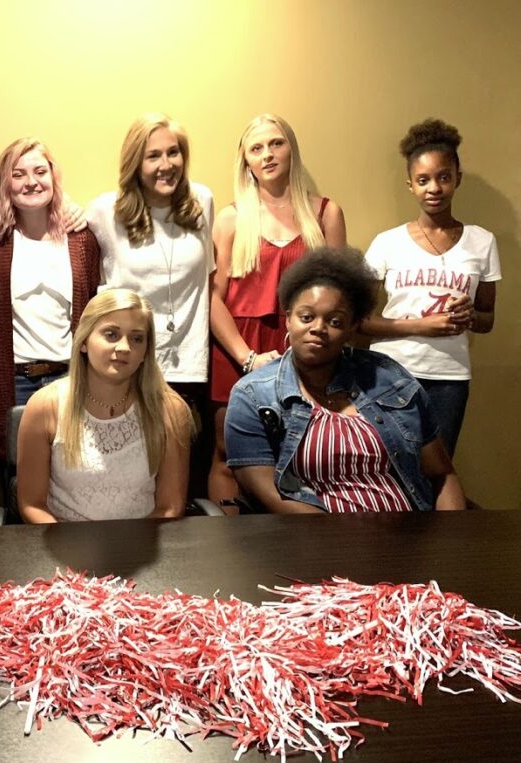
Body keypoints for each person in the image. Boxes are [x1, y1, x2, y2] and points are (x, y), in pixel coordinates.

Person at [225, 247, 465, 514]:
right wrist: (347, 544)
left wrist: (449, 541)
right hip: (315, 543)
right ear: (288, 319)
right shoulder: (253, 395)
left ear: (352, 328)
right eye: (306, 317)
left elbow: (442, 474)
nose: (318, 328)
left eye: (335, 321)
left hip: (409, 537)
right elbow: (269, 495)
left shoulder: (388, 378)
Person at [208, 114, 346, 507]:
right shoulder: (232, 217)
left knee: (302, 449)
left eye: (276, 143)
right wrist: (247, 358)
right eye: (256, 148)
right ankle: (227, 548)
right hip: (239, 348)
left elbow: (340, 293)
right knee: (227, 453)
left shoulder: (325, 214)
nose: (267, 155)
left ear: (291, 149)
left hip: (304, 347)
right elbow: (213, 298)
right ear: (246, 161)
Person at [85, 113, 214, 493]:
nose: (165, 165)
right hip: (131, 368)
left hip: (189, 368)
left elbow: (209, 279)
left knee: (183, 485)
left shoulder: (201, 201)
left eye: (173, 153)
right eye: (152, 155)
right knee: (131, 480)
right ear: (134, 163)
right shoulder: (105, 211)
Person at [361, 118, 499, 457]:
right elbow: (358, 322)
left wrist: (468, 317)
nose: (433, 188)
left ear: (457, 179)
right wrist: (422, 326)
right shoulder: (386, 243)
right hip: (389, 372)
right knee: (387, 467)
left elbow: (487, 320)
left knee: (436, 469)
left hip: (449, 378)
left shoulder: (482, 242)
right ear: (411, 184)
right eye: (423, 180)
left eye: (443, 177)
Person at [0, 137, 101, 462]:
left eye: (40, 171)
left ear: (53, 177)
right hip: (15, 382)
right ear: (5, 182)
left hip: (71, 379)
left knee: (73, 472)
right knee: (19, 479)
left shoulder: (80, 238)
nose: (31, 182)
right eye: (19, 174)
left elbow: (95, 305)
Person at [16, 288, 192, 522]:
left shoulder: (170, 410)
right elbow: (32, 505)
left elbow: (170, 508)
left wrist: (124, 552)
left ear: (145, 353)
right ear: (84, 342)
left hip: (140, 548)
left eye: (137, 338)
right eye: (111, 334)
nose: (124, 347)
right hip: (65, 548)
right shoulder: (45, 406)